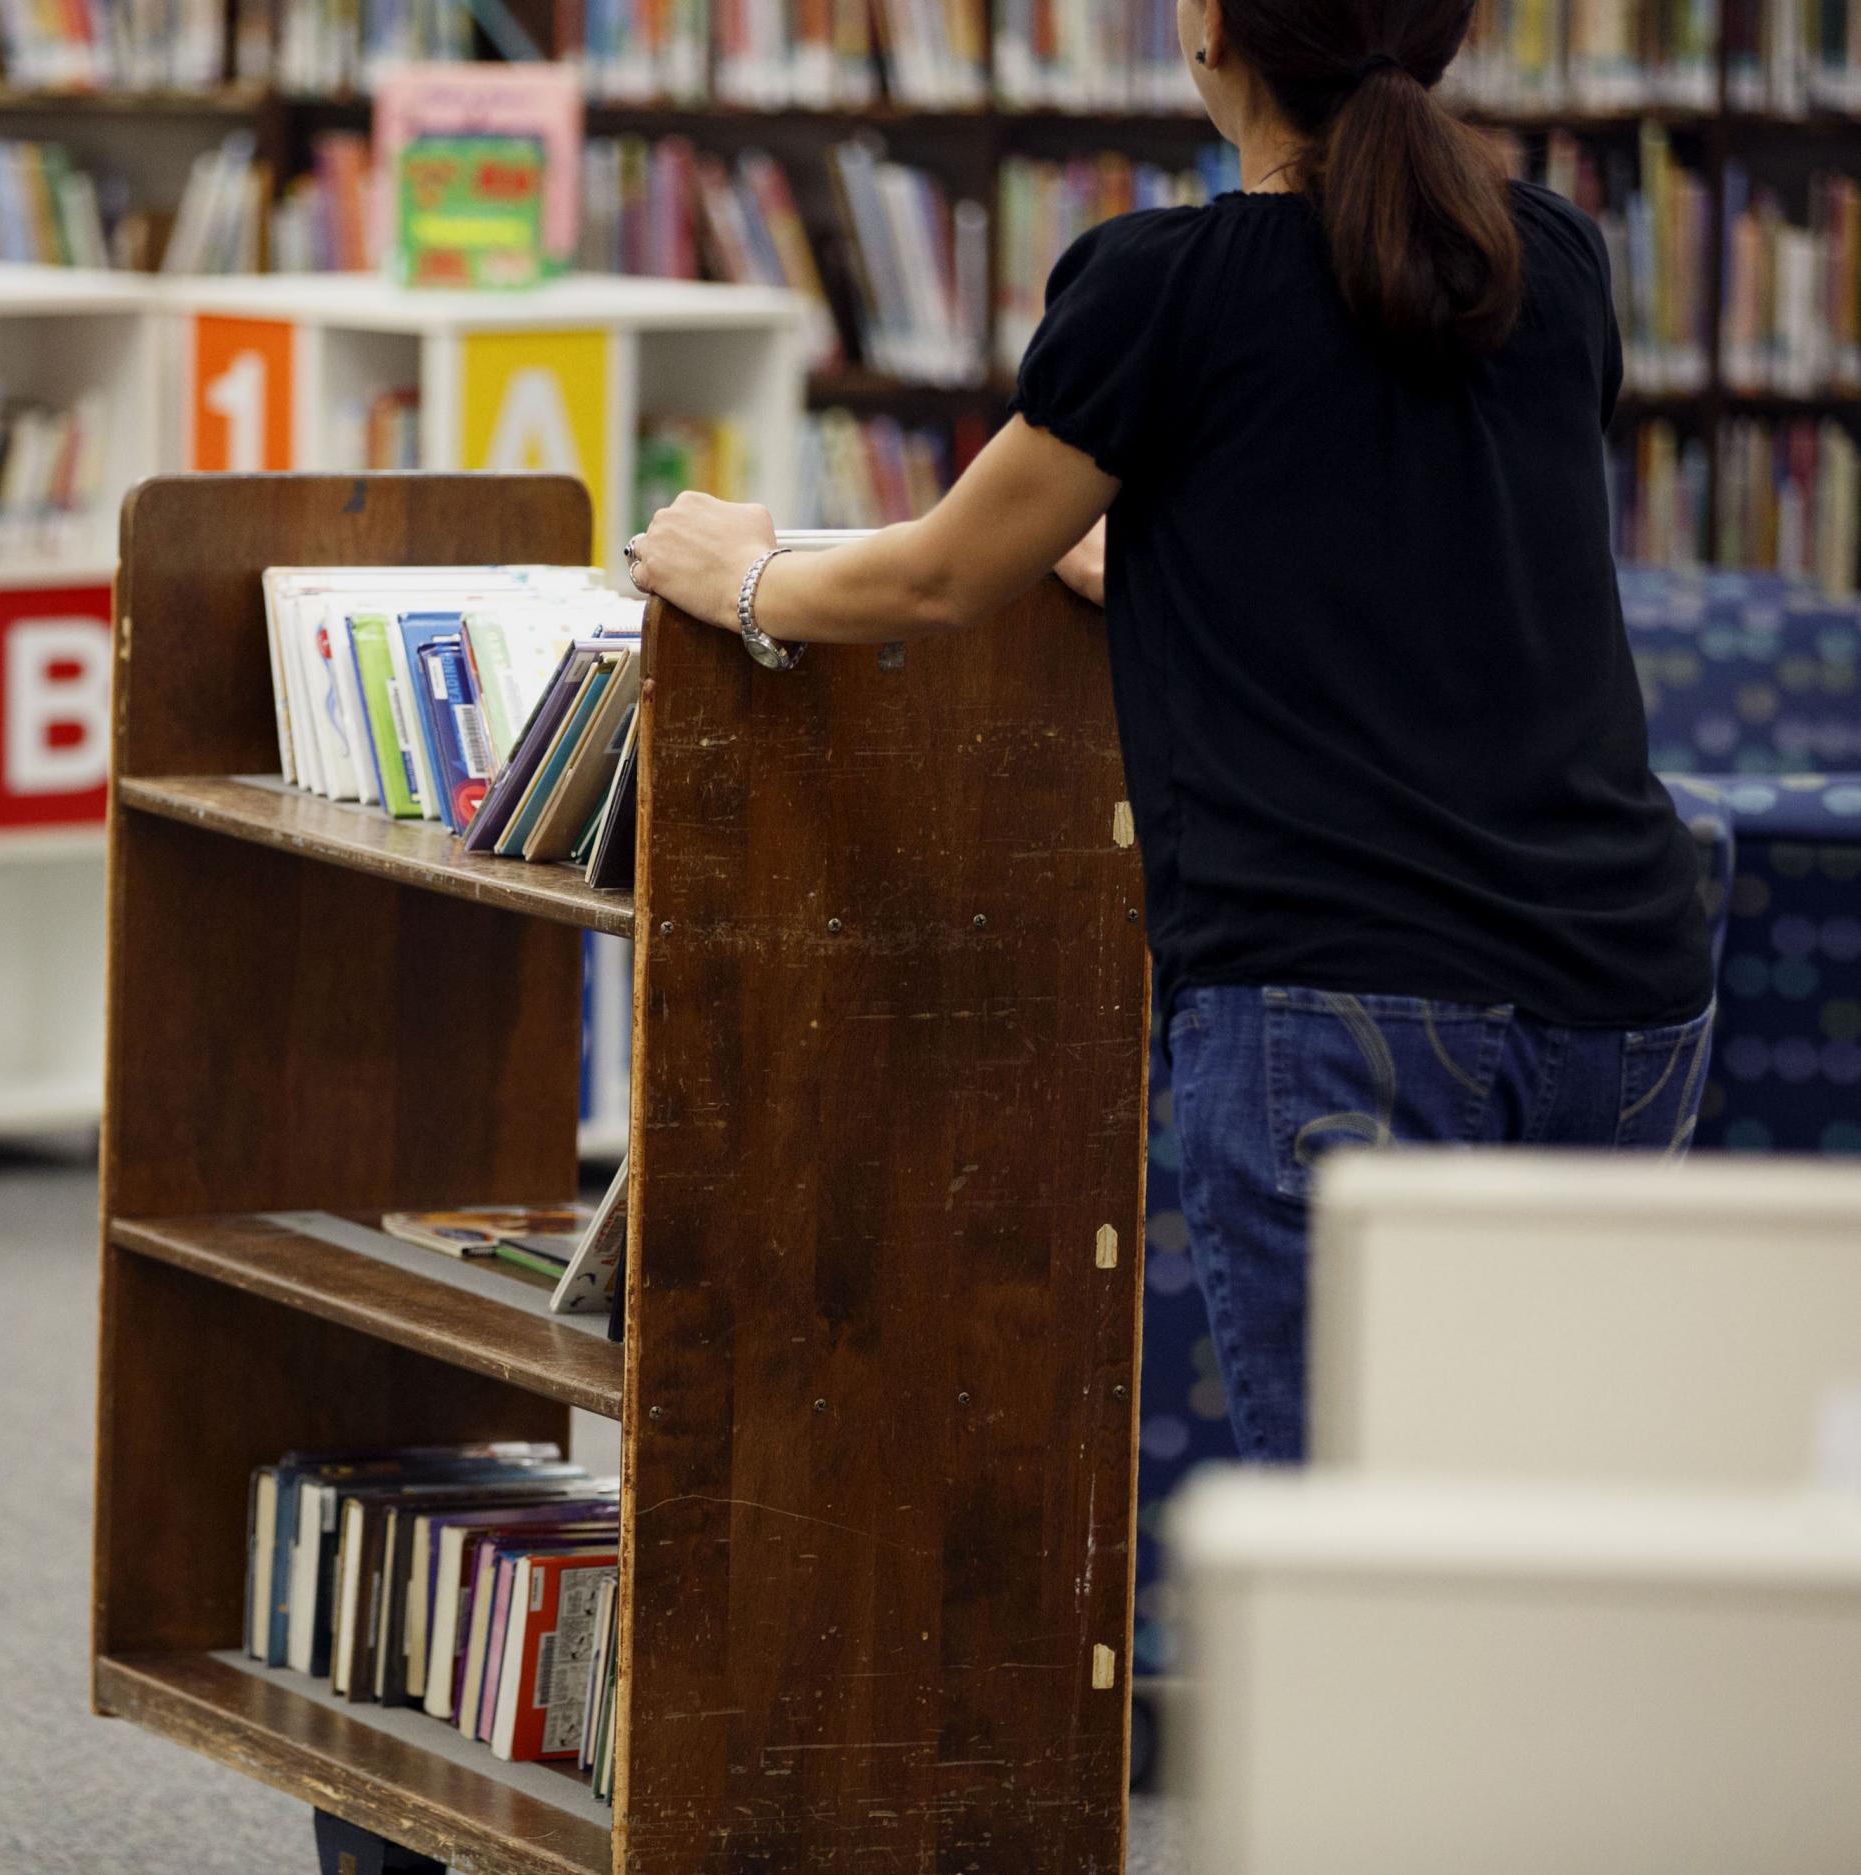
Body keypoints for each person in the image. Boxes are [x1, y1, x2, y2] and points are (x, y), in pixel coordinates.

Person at [626, 0, 1716, 1465]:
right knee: (1561, 1515)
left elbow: (944, 576)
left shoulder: (1161, 287)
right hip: (1625, 994)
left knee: (1365, 1555)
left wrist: (742, 578)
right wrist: (1156, 548)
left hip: (1342, 1004)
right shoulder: (1553, 260)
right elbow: (1412, 527)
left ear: (1209, 32)